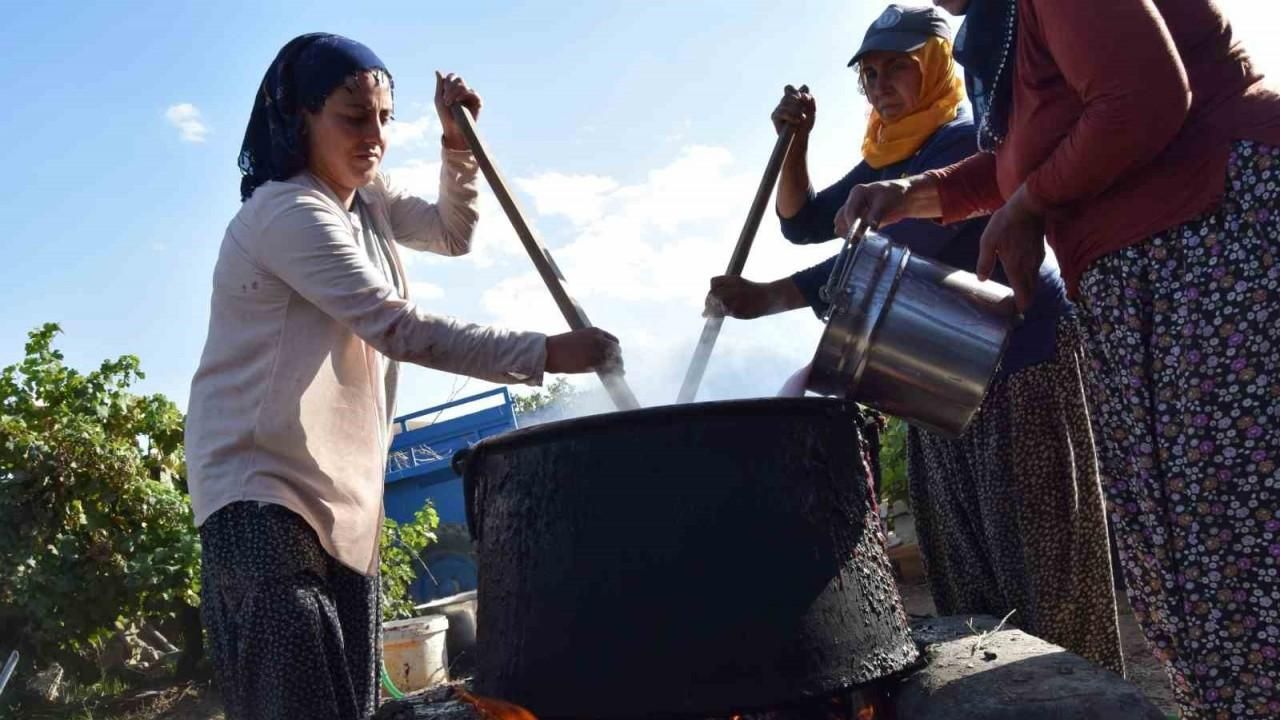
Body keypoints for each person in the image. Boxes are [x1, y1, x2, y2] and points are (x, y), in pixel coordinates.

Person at [839, 1, 1280, 716]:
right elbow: (1026, 157)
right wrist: (912, 194)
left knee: (1238, 533)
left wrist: (1030, 205)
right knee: (1192, 558)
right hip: (1145, 277)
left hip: (1213, 246)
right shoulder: (1008, 27)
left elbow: (1142, 97)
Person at [184, 33, 621, 720]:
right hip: (260, 490)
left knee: (348, 705)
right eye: (354, 118)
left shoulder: (369, 201)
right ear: (300, 118)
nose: (375, 137)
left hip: (340, 491)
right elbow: (398, 328)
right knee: (297, 702)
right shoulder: (288, 213)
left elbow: (453, 233)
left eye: (386, 118)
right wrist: (547, 352)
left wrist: (455, 145)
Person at [706, 4, 1122, 673]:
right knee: (965, 563)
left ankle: (1075, 694)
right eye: (867, 74)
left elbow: (903, 240)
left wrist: (770, 297)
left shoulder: (966, 138)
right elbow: (803, 222)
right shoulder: (886, 156)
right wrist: (795, 143)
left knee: (1040, 558)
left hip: (1018, 358)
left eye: (894, 68)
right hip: (933, 374)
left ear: (932, 65)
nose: (877, 85)